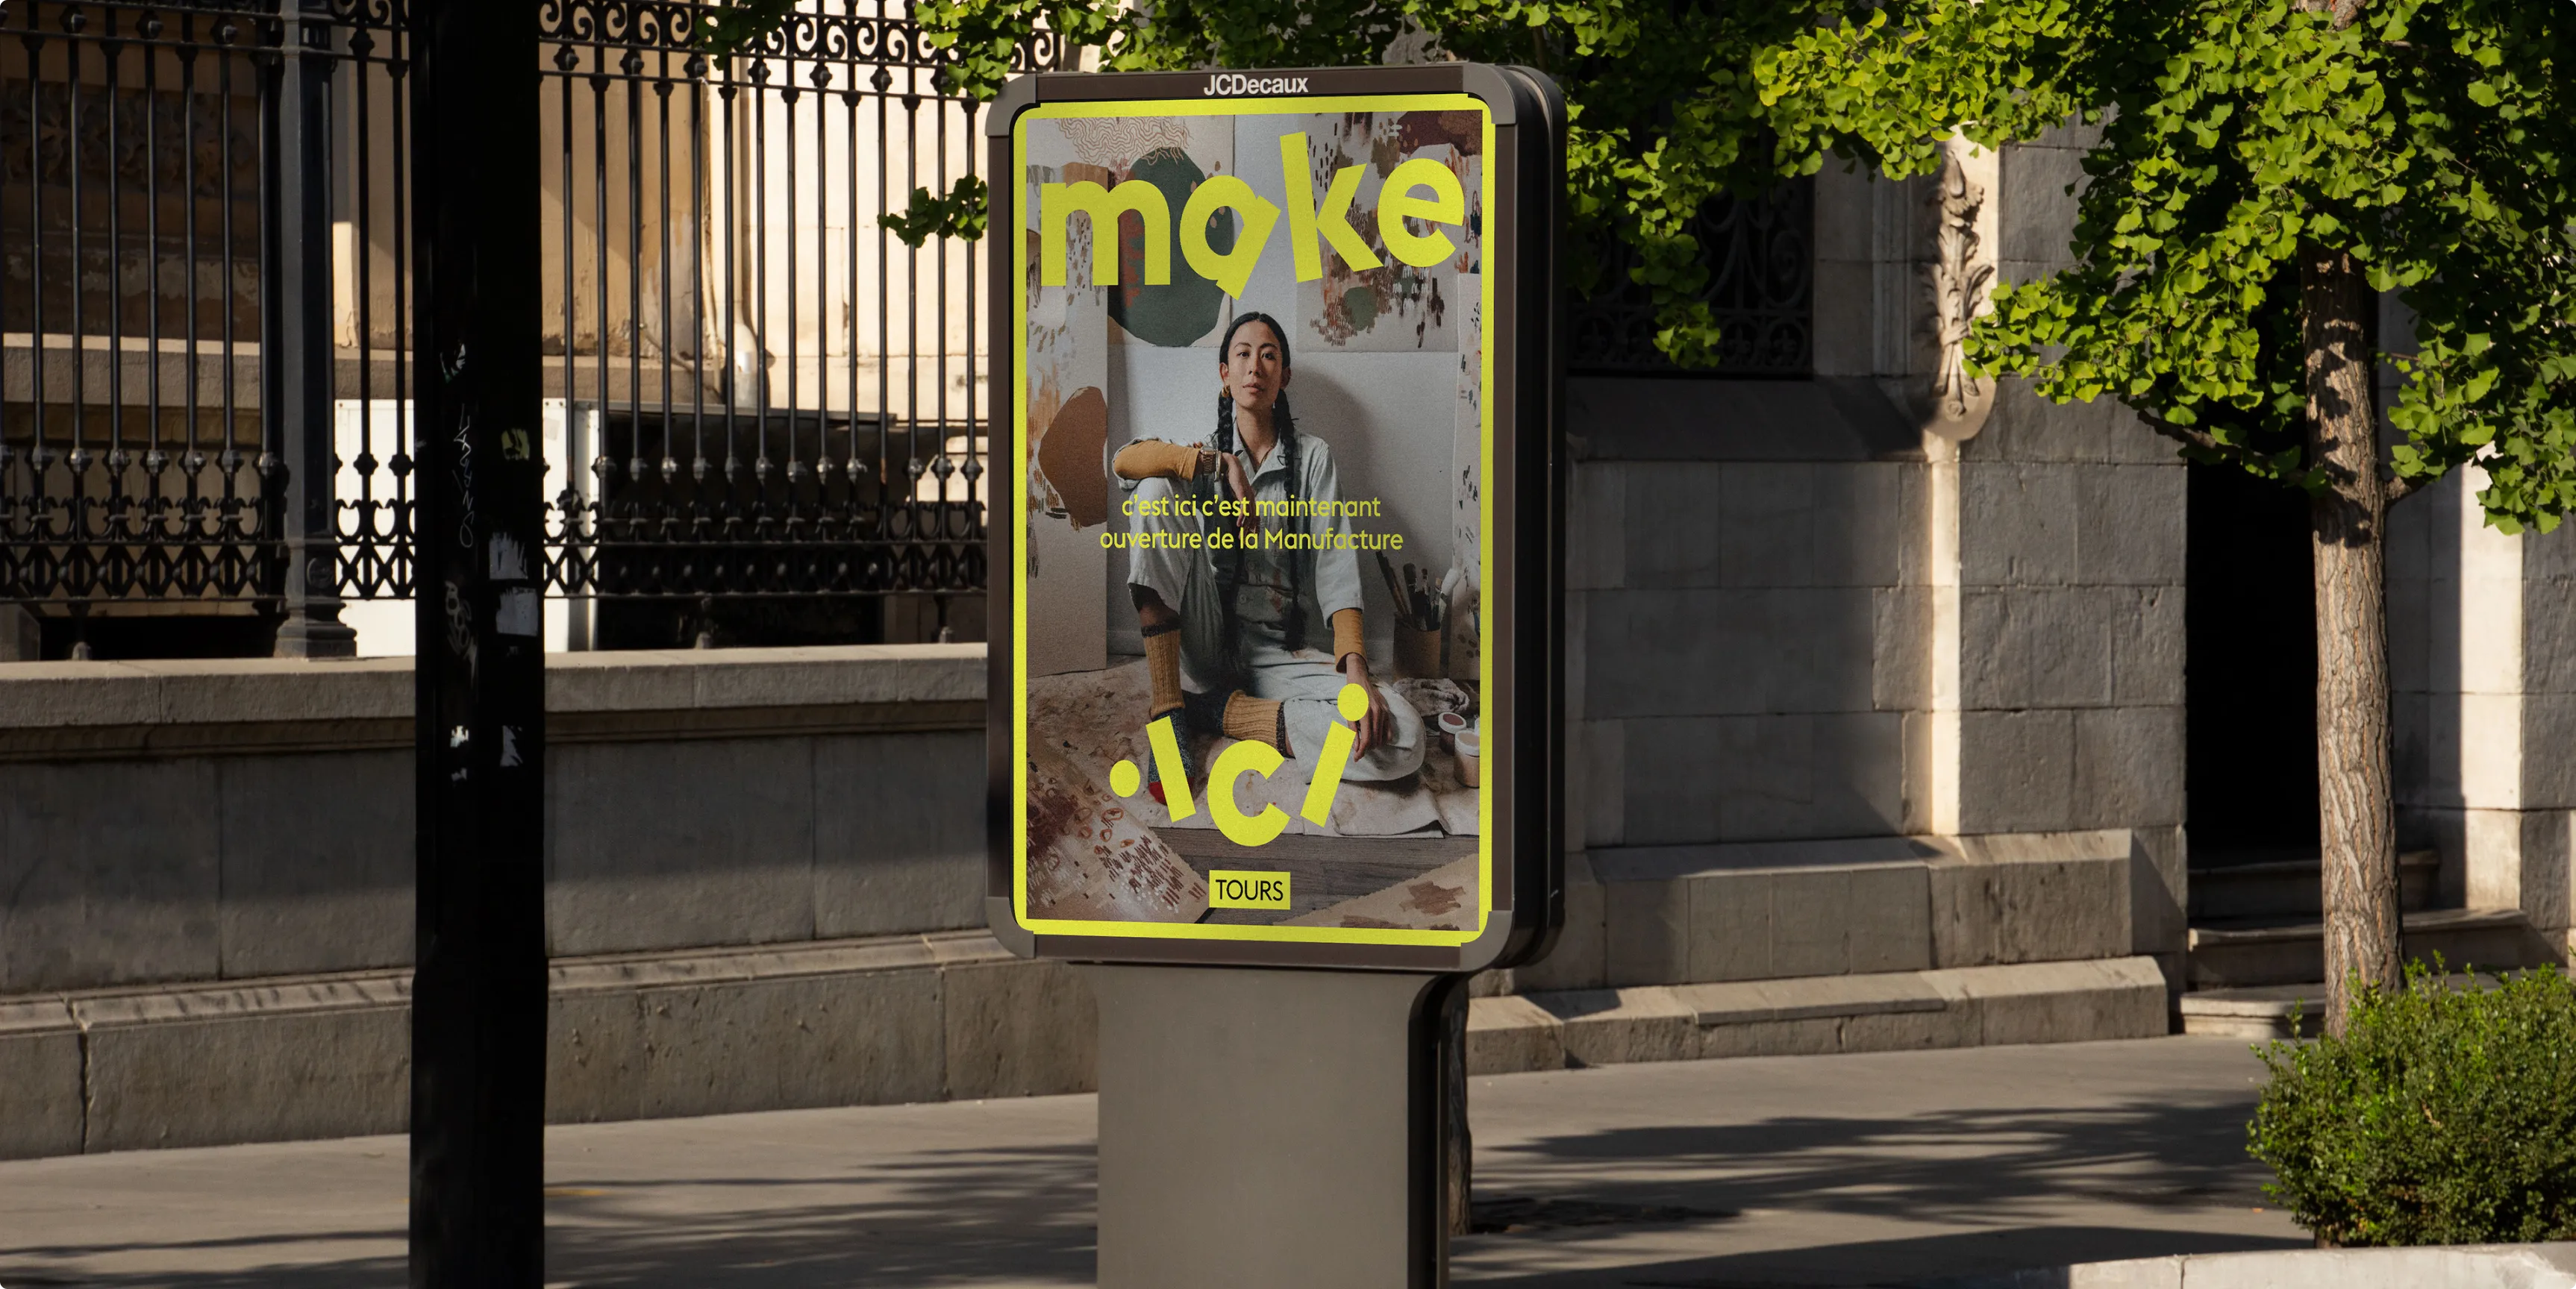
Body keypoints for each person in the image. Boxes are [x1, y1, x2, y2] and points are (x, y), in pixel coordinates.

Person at [1112, 311, 1423, 798]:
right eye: (1242, 354)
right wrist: (1215, 464)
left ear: (1285, 376)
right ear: (1225, 374)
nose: (1255, 365)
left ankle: (1217, 712)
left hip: (1285, 652)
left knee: (1402, 735)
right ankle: (1169, 705)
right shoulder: (1203, 453)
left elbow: (1337, 566)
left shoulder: (1314, 459)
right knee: (1153, 493)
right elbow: (1123, 463)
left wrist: (1359, 673)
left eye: (1269, 355)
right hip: (1209, 638)